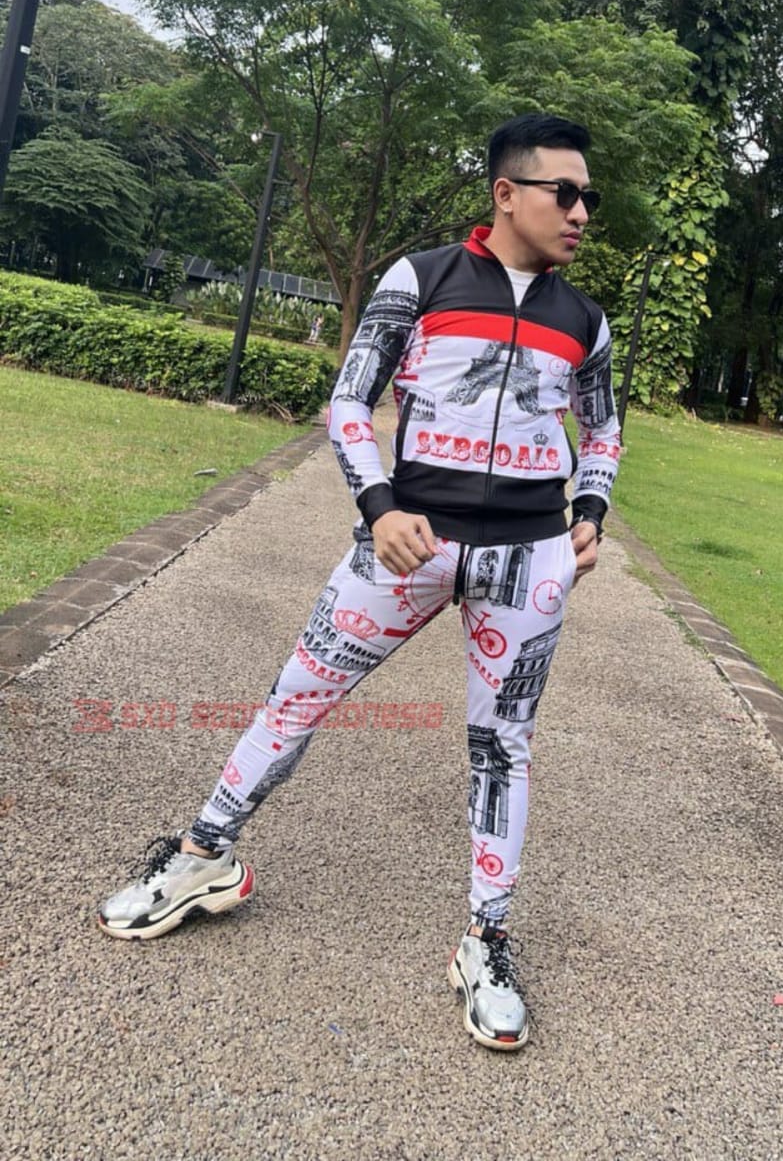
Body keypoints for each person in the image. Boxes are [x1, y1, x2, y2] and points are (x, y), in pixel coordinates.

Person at [98, 113, 622, 1052]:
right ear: (507, 193)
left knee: (502, 746)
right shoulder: (419, 279)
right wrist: (378, 506)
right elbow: (348, 399)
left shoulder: (584, 319)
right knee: (294, 696)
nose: (582, 212)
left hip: (527, 559)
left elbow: (604, 426)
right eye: (566, 193)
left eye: (588, 197)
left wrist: (590, 508)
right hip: (405, 542)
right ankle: (202, 856)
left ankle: (486, 939)